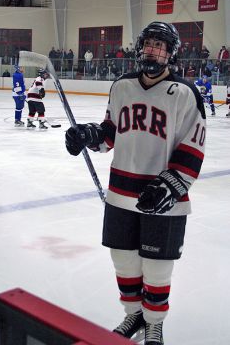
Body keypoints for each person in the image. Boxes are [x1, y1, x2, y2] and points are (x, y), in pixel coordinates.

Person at [65, 21, 206, 345]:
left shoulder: (185, 93)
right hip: (120, 196)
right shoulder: (122, 86)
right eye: (149, 44)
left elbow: (193, 145)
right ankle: (134, 316)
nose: (153, 50)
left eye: (160, 45)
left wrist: (172, 185)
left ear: (170, 53)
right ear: (140, 48)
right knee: (124, 261)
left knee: (157, 267)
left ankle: (154, 323)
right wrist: (89, 135)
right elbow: (111, 132)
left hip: (164, 200)